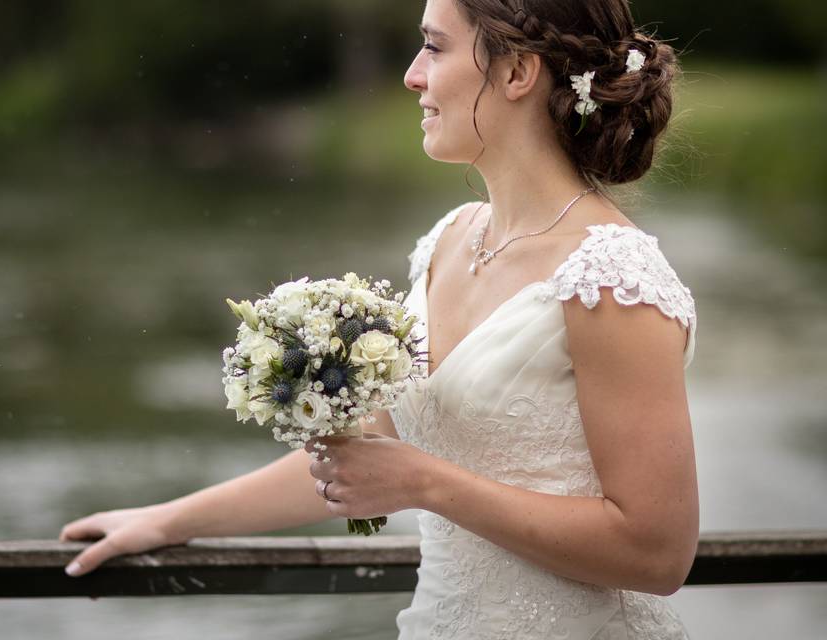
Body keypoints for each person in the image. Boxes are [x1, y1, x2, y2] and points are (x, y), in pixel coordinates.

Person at [60, 0, 699, 637]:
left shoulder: (612, 279)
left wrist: (427, 482)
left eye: (436, 46)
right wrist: (171, 521)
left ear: (516, 74)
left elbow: (656, 552)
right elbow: (370, 451)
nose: (412, 75)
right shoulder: (449, 241)